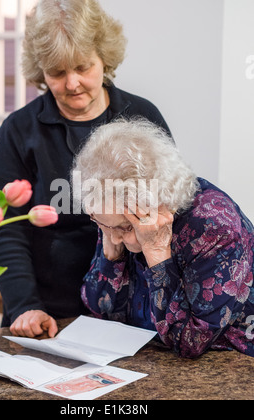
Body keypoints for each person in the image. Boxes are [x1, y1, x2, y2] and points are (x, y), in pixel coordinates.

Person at [0, 0, 171, 338]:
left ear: (104, 59)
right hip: (47, 315)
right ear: (39, 71)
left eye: (83, 67)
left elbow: (166, 212)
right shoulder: (19, 131)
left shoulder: (142, 118)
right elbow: (5, 229)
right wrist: (25, 305)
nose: (72, 83)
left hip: (132, 315)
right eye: (57, 73)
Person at [72, 118, 254, 358]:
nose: (116, 238)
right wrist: (111, 245)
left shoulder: (216, 228)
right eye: (102, 223)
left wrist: (156, 251)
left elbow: (191, 342)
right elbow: (99, 307)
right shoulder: (114, 213)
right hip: (149, 354)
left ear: (159, 204)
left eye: (125, 228)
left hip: (230, 366)